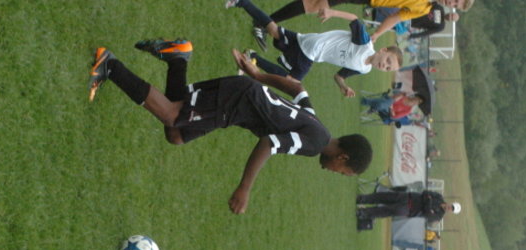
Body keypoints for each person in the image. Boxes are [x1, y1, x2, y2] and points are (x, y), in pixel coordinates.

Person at [88, 39, 373, 215]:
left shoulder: (319, 127)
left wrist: (258, 75)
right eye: (343, 172)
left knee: (176, 134)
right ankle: (110, 66)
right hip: (235, 101)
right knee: (172, 116)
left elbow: (298, 88)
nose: (334, 172)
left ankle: (177, 57)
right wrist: (244, 188)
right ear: (343, 157)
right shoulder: (314, 145)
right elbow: (269, 144)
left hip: (239, 99)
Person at [226, 0, 402, 98]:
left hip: (309, 43)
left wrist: (344, 87)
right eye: (388, 60)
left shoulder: (364, 69)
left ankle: (242, 3)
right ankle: (252, 59)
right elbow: (355, 19)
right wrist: (332, 12)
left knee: (273, 30)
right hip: (312, 50)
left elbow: (339, 76)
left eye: (388, 68)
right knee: (293, 83)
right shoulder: (364, 44)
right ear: (382, 50)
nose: (384, 66)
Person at [258, 0, 474, 44]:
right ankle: (264, 24)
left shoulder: (425, 8)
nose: (451, 2)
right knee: (315, 4)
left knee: (315, 4)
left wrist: (378, 33)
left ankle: (264, 23)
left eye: (455, 4)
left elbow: (395, 17)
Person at [356, 190, 461, 222]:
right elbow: (425, 192)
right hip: (408, 197)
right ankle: (363, 199)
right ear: (451, 203)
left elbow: (427, 214)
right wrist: (428, 204)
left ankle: (363, 213)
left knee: (385, 211)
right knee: (384, 196)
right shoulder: (439, 197)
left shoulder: (438, 216)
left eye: (452, 209)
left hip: (408, 209)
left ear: (451, 212)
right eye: (451, 206)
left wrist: (428, 201)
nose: (450, 208)